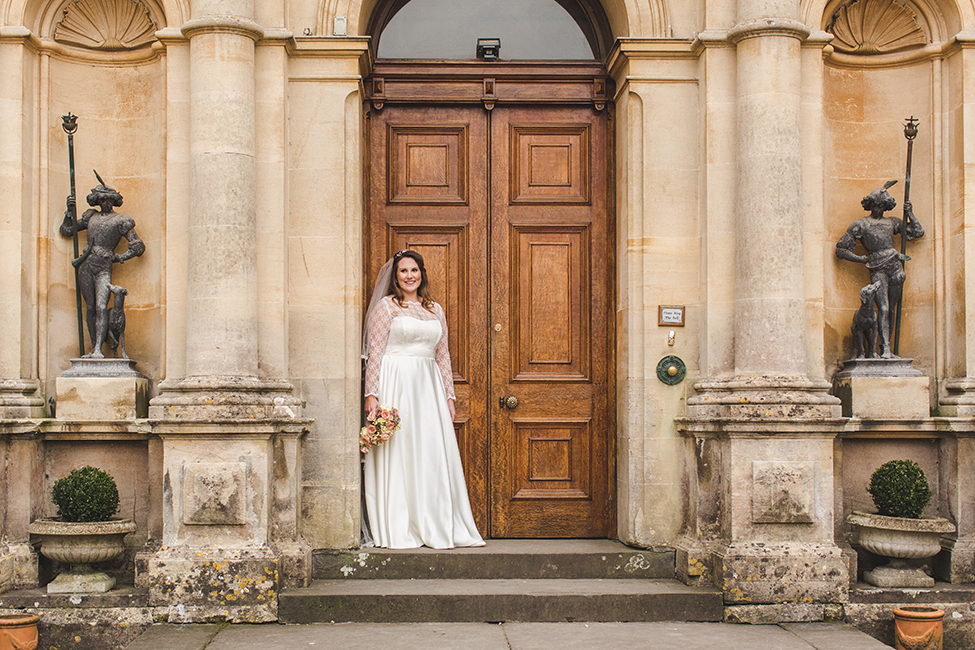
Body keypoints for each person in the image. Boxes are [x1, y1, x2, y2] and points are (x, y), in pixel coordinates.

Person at [361, 249, 484, 549]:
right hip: (396, 381)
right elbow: (375, 353)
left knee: (429, 450)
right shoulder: (386, 307)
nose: (409, 276)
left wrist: (449, 396)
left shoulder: (435, 309)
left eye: (414, 270)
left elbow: (443, 356)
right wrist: (371, 395)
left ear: (421, 273)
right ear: (396, 276)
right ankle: (400, 523)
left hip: (428, 387)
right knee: (401, 450)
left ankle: (436, 520)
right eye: (403, 271)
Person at [60, 173, 145, 359]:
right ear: (96, 201)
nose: (105, 203)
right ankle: (93, 348)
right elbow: (67, 230)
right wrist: (68, 212)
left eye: (108, 200)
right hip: (86, 265)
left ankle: (99, 348)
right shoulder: (91, 217)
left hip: (104, 267)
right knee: (90, 307)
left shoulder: (120, 220)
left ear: (113, 201)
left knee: (100, 306)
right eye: (102, 200)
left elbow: (138, 246)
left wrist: (120, 257)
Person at [835, 180, 923, 359]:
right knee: (883, 308)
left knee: (892, 308)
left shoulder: (892, 223)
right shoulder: (860, 224)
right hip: (877, 267)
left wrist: (910, 213)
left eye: (882, 205)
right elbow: (841, 249)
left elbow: (917, 232)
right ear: (871, 204)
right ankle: (886, 350)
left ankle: (886, 346)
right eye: (876, 205)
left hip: (895, 265)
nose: (878, 208)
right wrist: (859, 258)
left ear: (885, 206)